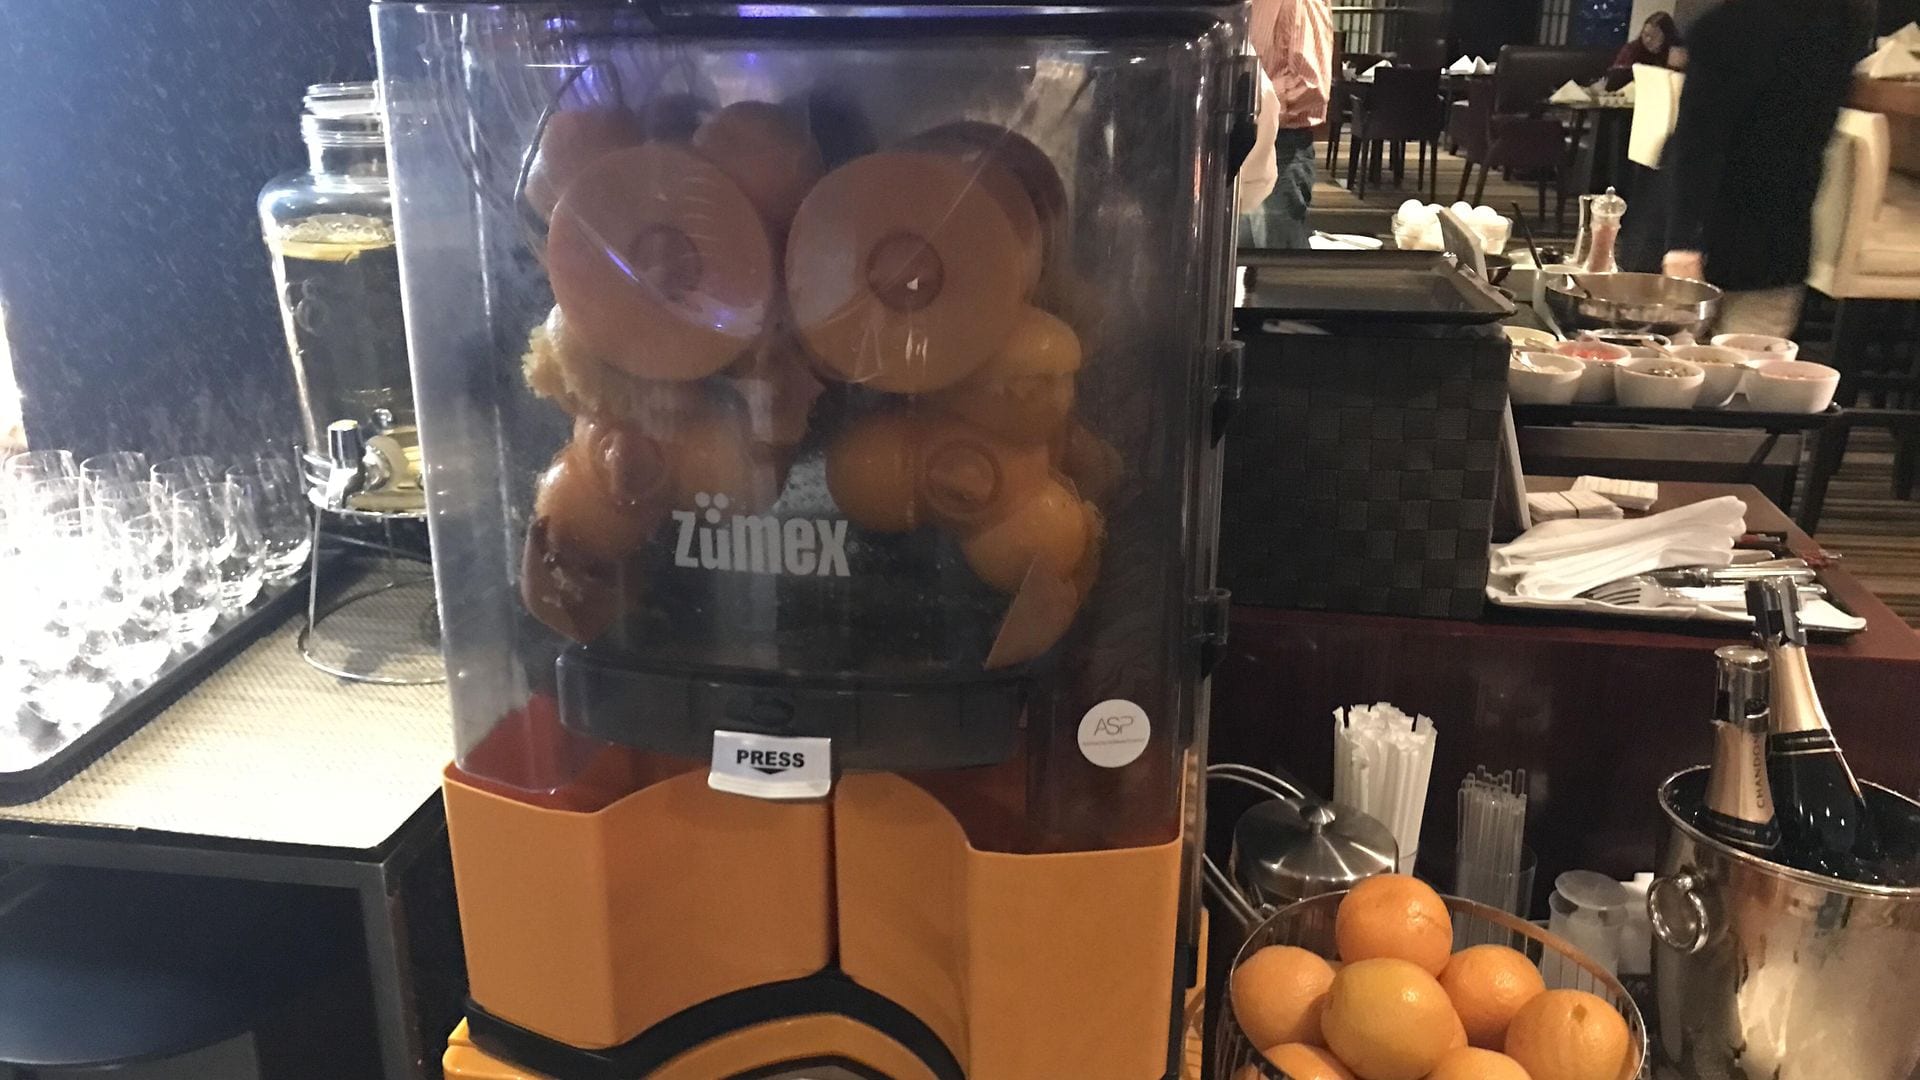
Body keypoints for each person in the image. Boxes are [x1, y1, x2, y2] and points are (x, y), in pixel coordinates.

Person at [1658, 0, 1867, 335]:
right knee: (1755, 355)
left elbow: (1698, 143)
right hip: (1779, 237)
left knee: (1669, 355)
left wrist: (1682, 239)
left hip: (1706, 223)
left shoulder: (1727, 26)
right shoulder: (1844, 21)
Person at [1246, 0, 1335, 249]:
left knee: (1277, 257)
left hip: (1282, 148)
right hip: (1245, 142)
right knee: (1246, 255)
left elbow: (1311, 85)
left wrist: (1247, 100)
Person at [1608, 12, 1686, 89]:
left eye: (1654, 36)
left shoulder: (1675, 53)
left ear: (1666, 37)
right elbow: (1614, 80)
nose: (1648, 40)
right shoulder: (1632, 49)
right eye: (1645, 34)